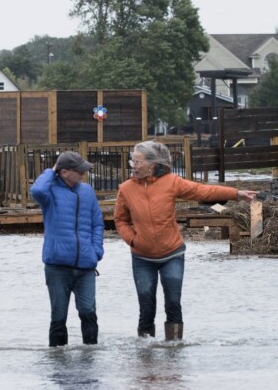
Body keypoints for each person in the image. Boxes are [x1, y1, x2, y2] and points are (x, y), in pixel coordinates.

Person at [113, 141, 257, 341]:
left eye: (137, 162)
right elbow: (120, 220)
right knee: (146, 306)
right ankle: (145, 351)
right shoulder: (126, 189)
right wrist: (132, 240)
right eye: (132, 161)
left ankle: (174, 347)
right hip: (142, 257)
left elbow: (203, 191)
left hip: (172, 254)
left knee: (173, 302)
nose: (133, 166)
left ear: (152, 164)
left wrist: (235, 194)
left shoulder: (172, 182)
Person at [30, 151, 105, 347]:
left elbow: (97, 223)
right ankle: (57, 362)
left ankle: (90, 358)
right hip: (57, 267)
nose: (83, 174)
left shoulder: (87, 191)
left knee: (88, 312)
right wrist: (51, 170)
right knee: (58, 317)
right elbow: (36, 191)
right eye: (79, 171)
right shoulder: (50, 192)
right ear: (64, 172)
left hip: (86, 266)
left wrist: (96, 251)